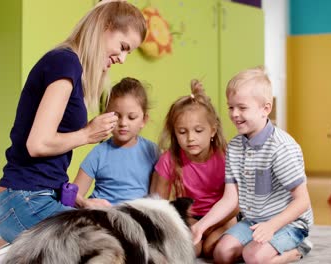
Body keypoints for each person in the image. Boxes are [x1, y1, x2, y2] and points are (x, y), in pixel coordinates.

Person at [0, 1, 146, 263]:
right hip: (23, 200)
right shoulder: (65, 63)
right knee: (105, 245)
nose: (122, 58)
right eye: (123, 46)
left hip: (33, 198)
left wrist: (83, 202)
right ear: (105, 27)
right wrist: (86, 134)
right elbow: (37, 144)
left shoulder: (71, 67)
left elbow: (49, 167)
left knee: (104, 228)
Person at [191, 66, 314, 264]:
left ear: (266, 108)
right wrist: (201, 226)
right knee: (221, 255)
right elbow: (231, 198)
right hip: (254, 220)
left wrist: (272, 226)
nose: (234, 114)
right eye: (231, 107)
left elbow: (302, 201)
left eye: (242, 107)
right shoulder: (235, 146)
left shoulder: (281, 147)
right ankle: (262, 248)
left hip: (289, 223)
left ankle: (298, 249)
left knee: (253, 257)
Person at [150, 80, 238, 258]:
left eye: (198, 130)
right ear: (174, 133)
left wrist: (208, 225)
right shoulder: (169, 159)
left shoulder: (226, 156)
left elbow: (236, 204)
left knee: (211, 249)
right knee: (193, 250)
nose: (190, 138)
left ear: (212, 130)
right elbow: (158, 204)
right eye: (182, 132)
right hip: (190, 218)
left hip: (223, 219)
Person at [74, 77, 159, 208]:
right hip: (103, 219)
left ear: (144, 120)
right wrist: (85, 203)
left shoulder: (152, 152)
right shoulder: (98, 153)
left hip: (137, 220)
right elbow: (73, 194)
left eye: (131, 117)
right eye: (116, 116)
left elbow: (158, 198)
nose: (123, 123)